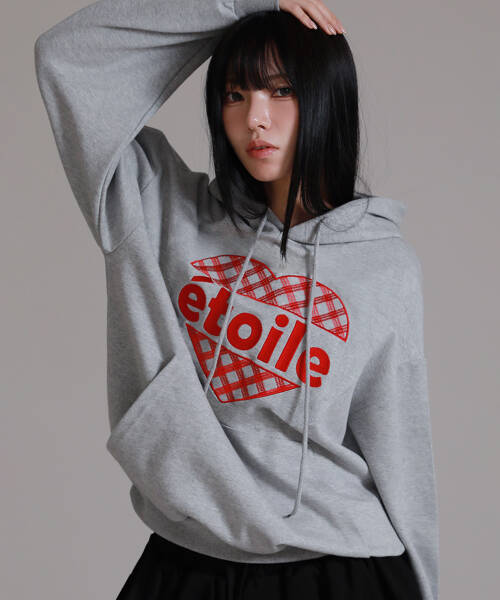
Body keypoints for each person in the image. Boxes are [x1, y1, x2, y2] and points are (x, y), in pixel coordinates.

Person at [34, 0, 440, 599]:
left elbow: (400, 446)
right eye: (234, 94)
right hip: (190, 556)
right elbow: (67, 59)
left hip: (340, 566)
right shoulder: (160, 209)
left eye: (281, 91)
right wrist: (244, 2)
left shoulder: (384, 265)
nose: (255, 118)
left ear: (325, 98)